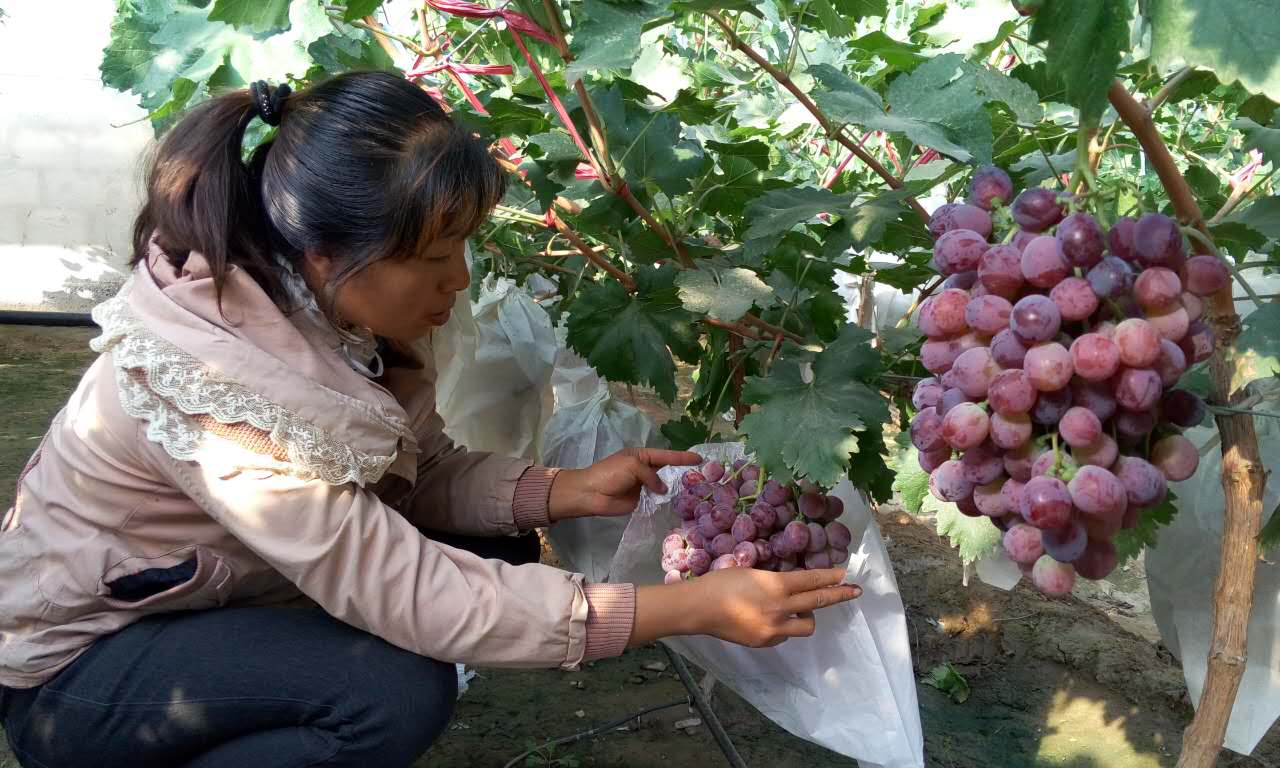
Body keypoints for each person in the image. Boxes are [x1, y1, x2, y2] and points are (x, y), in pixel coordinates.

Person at [0, 72, 861, 767]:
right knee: (390, 695)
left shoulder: (332, 315)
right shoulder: (224, 390)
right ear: (330, 255)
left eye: (464, 250)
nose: (459, 281)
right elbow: (400, 583)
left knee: (501, 547)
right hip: (84, 671)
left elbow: (408, 475)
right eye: (436, 259)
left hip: (224, 591)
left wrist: (557, 490)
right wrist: (681, 609)